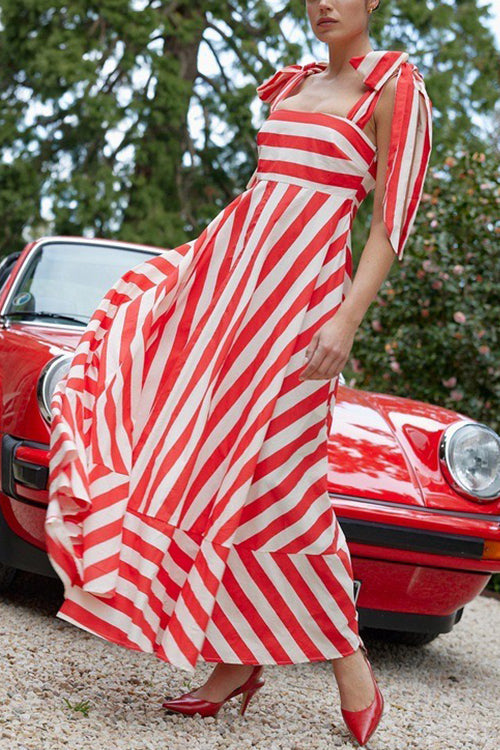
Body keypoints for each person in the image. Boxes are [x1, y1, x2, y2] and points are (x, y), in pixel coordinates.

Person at [45, 0, 432, 746]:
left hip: (304, 309)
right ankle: (237, 664)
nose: (323, 4)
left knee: (286, 479)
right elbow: (259, 202)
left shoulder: (392, 89)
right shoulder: (292, 85)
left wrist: (346, 320)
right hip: (231, 297)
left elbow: (391, 223)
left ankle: (348, 661)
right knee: (223, 469)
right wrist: (189, 285)